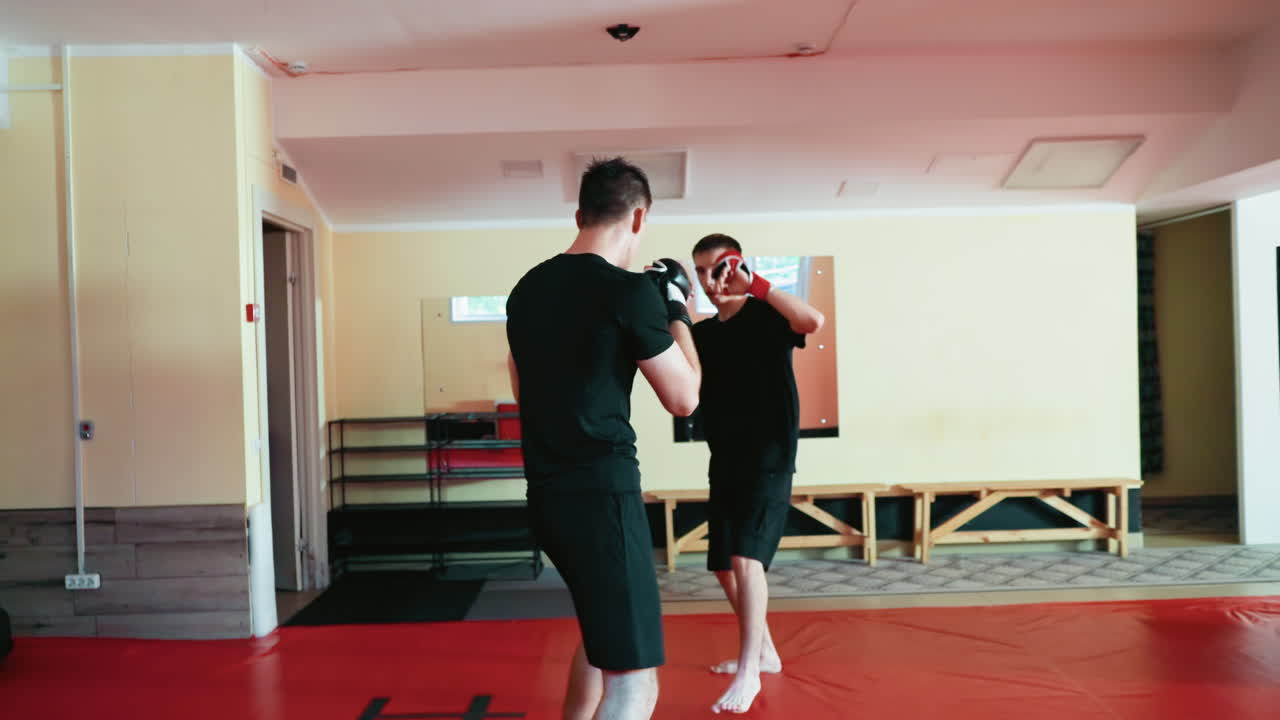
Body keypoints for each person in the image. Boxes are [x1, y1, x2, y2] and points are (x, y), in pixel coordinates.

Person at [505, 157, 702, 720]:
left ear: (579, 215)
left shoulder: (527, 290)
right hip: (603, 497)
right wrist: (678, 312)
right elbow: (684, 398)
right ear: (638, 218)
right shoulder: (630, 292)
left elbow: (522, 388)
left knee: (600, 643)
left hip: (547, 498)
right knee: (635, 686)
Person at [688, 234, 825, 714]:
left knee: (747, 559)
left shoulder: (768, 316)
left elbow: (812, 321)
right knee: (724, 565)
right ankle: (765, 653)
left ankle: (748, 673)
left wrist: (756, 285)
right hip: (725, 457)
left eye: (717, 268)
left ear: (737, 265)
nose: (710, 280)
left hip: (769, 456)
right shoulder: (704, 334)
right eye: (701, 271)